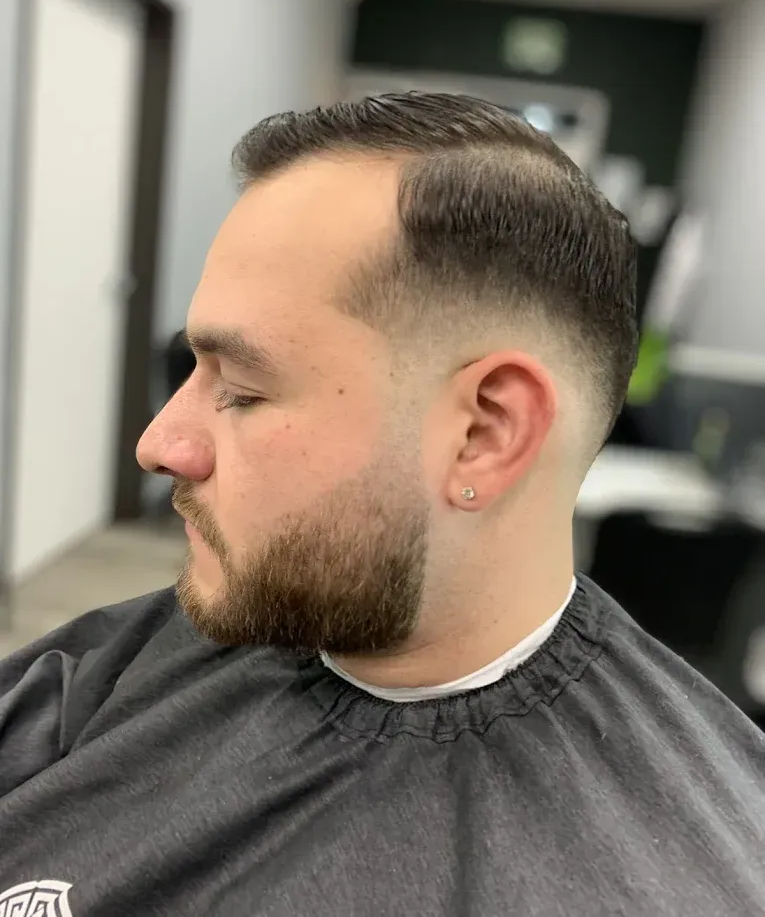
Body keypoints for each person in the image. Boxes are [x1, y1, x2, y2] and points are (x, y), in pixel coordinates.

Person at [0, 93, 762, 917]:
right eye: (193, 371)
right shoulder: (125, 663)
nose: (159, 444)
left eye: (244, 390)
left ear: (484, 433)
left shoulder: (684, 883)